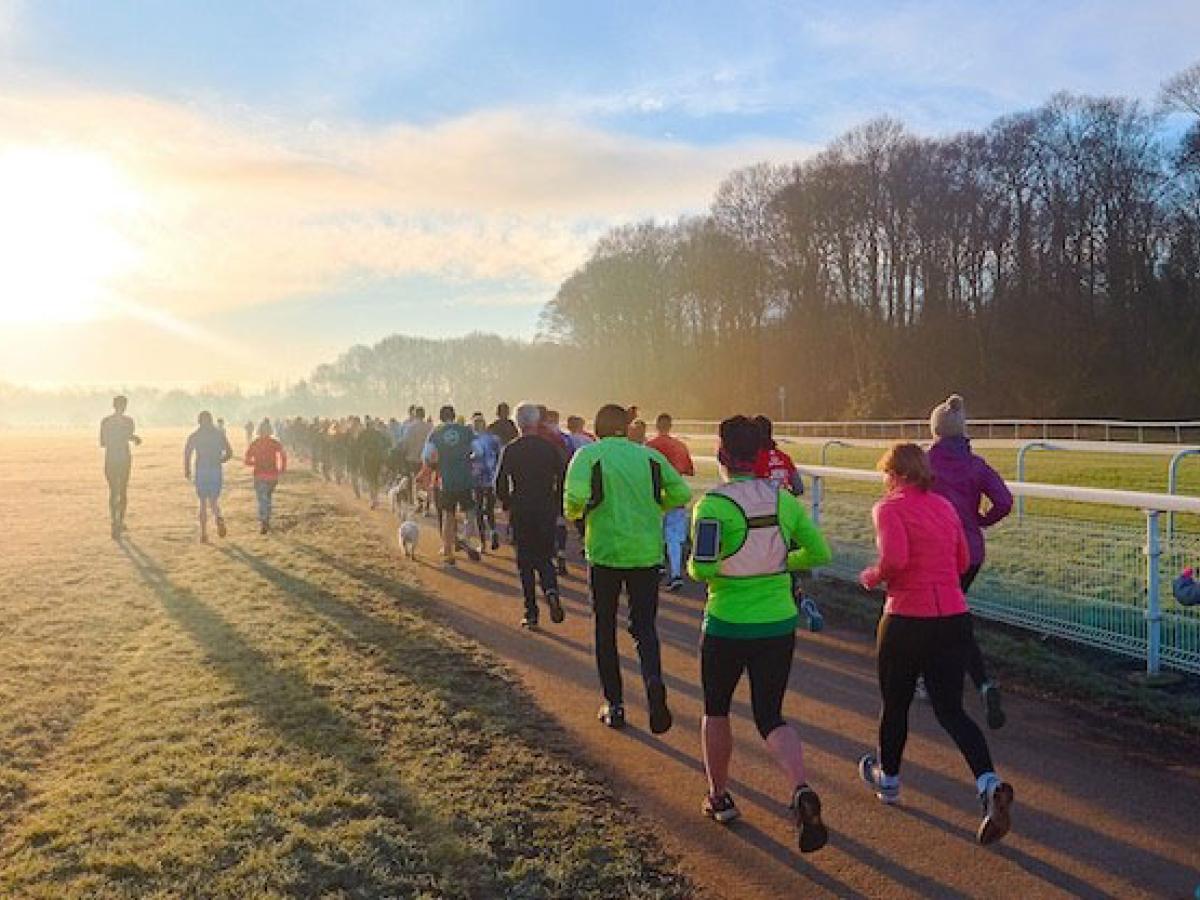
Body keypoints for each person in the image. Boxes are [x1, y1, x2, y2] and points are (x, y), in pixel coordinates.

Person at [858, 443, 1015, 846]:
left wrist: (873, 576)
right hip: (953, 618)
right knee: (951, 710)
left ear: (894, 474)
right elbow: (962, 561)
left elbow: (895, 558)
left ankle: (889, 780)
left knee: (895, 704)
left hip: (907, 617)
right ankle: (988, 782)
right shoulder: (945, 506)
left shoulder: (888, 508)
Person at [689, 415, 832, 852]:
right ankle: (801, 787)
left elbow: (702, 567)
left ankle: (719, 797)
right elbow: (819, 552)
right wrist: (775, 564)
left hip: (728, 622)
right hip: (777, 622)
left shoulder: (711, 506)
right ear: (758, 457)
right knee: (770, 713)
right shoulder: (783, 501)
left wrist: (736, 567)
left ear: (722, 456)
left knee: (716, 709)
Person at [565, 404, 691, 733]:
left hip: (605, 552)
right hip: (646, 554)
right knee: (644, 627)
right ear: (627, 427)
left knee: (604, 628)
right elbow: (681, 491)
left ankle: (615, 704)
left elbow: (575, 496)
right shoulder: (648, 456)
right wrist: (656, 506)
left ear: (599, 427)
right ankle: (652, 682)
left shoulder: (589, 456)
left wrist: (578, 513)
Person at [928, 394, 1014, 728]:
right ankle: (981, 683)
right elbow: (1004, 501)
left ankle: (948, 680)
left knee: (938, 619)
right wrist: (980, 522)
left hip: (937, 554)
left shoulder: (925, 462)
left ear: (935, 430)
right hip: (972, 554)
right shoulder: (976, 464)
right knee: (953, 618)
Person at [495, 403, 567, 629]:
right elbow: (563, 476)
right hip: (545, 508)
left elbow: (500, 482)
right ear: (536, 422)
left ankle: (531, 612)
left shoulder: (511, 449)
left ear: (518, 423)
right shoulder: (549, 448)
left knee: (525, 563)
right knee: (545, 557)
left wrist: (507, 503)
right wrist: (557, 503)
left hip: (521, 508)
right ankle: (551, 590)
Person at [754, 416, 823, 632]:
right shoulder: (784, 456)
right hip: (789, 518)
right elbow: (799, 488)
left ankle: (771, 611)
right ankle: (800, 600)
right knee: (787, 563)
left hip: (765, 521)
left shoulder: (756, 459)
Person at [424, 405, 481, 565]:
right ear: (454, 416)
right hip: (465, 477)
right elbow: (479, 451)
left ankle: (447, 550)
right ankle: (465, 538)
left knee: (449, 515)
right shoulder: (467, 431)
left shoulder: (435, 433)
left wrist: (437, 464)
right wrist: (469, 458)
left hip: (446, 480)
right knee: (469, 512)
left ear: (441, 417)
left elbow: (428, 456)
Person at [646, 413, 695, 591]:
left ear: (657, 426)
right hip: (675, 494)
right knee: (674, 537)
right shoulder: (680, 446)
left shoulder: (649, 446)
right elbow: (689, 470)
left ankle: (657, 567)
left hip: (654, 496)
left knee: (655, 533)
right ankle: (675, 573)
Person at [184, 411, 234, 543]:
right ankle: (218, 517)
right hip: (215, 470)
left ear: (199, 421)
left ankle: (204, 533)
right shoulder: (219, 435)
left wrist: (187, 470)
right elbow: (229, 453)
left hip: (201, 470)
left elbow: (187, 453)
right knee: (213, 500)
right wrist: (219, 460)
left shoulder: (195, 436)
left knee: (202, 502)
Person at [99, 395, 141, 539]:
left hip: (110, 458)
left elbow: (103, 442)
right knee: (122, 490)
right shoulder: (129, 422)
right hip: (123, 458)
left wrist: (121, 438)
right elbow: (128, 436)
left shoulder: (106, 422)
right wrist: (131, 438)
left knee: (113, 490)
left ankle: (114, 520)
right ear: (125, 406)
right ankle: (120, 520)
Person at [244, 418, 287, 533]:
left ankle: (264, 520)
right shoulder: (275, 442)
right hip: (272, 475)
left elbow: (247, 460)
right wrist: (282, 468)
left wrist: (255, 462)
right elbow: (283, 455)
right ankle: (266, 518)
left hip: (259, 474)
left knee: (261, 499)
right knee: (268, 497)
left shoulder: (255, 443)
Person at [470, 413, 502, 551]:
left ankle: (482, 543)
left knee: (478, 509)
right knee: (489, 509)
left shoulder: (473, 440)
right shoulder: (494, 439)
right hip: (491, 477)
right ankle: (493, 531)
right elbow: (500, 454)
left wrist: (469, 460)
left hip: (477, 477)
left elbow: (476, 454)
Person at [358, 419, 391, 509]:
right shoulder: (378, 434)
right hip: (377, 458)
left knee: (370, 479)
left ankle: (373, 498)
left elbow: (358, 446)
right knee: (375, 478)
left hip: (367, 459)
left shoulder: (363, 434)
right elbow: (388, 443)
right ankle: (375, 498)